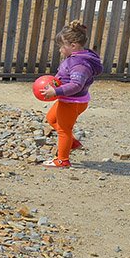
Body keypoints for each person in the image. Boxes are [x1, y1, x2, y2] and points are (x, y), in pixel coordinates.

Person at [40, 19, 103, 168]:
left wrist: (55, 91)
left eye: (61, 46)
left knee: (63, 130)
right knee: (51, 118)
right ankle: (72, 143)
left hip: (71, 102)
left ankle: (62, 160)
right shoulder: (76, 57)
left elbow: (76, 85)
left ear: (73, 46)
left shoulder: (79, 64)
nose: (60, 50)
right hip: (69, 100)